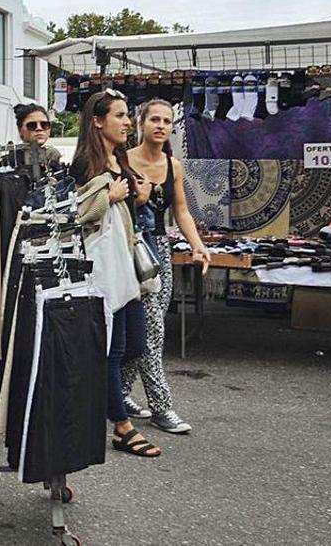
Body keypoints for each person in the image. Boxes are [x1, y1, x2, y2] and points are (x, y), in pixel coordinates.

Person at [70, 89, 162, 458]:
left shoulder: (118, 160)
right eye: (120, 116)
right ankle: (122, 426)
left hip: (125, 264)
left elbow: (126, 214)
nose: (127, 123)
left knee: (135, 344)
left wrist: (136, 198)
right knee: (114, 348)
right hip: (103, 268)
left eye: (128, 116)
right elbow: (74, 214)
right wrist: (108, 197)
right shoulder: (83, 165)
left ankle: (100, 401)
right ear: (97, 121)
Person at [122, 99, 209, 434]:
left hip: (161, 248)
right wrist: (137, 198)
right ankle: (162, 407)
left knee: (147, 329)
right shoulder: (124, 160)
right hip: (132, 248)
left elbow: (182, 210)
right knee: (152, 332)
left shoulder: (173, 165)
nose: (160, 125)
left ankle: (118, 393)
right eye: (154, 119)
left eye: (167, 120)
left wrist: (198, 246)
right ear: (141, 123)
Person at [1, 103, 63, 173]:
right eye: (32, 125)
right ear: (20, 129)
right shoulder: (10, 160)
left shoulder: (53, 154)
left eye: (44, 125)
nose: (39, 129)